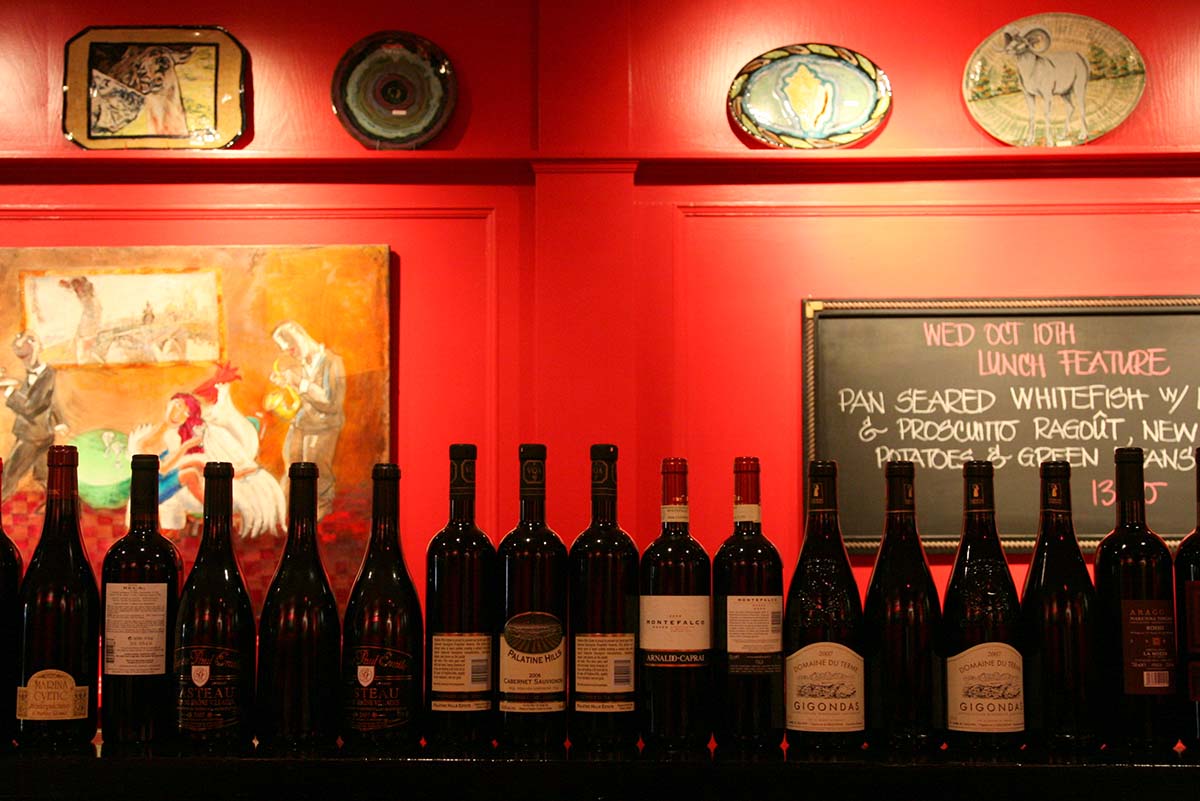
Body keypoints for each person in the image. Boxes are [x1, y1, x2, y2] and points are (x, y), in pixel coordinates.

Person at [270, 321, 346, 519]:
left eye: (291, 348)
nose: (290, 353)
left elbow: (331, 403)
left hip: (323, 427)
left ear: (300, 334)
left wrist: (300, 383)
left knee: (317, 473)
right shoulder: (300, 364)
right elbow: (303, 400)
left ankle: (317, 514)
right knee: (290, 469)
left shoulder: (333, 362)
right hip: (301, 424)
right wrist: (288, 386)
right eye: (286, 350)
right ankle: (282, 514)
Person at [0, 332, 63, 501]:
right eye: (21, 356)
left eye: (26, 355)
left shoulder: (47, 375)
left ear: (38, 349)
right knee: (44, 476)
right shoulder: (35, 374)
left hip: (32, 436)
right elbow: (50, 402)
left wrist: (7, 391)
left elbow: (29, 407)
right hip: (43, 434)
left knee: (10, 475)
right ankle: (63, 507)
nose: (24, 360)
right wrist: (59, 422)